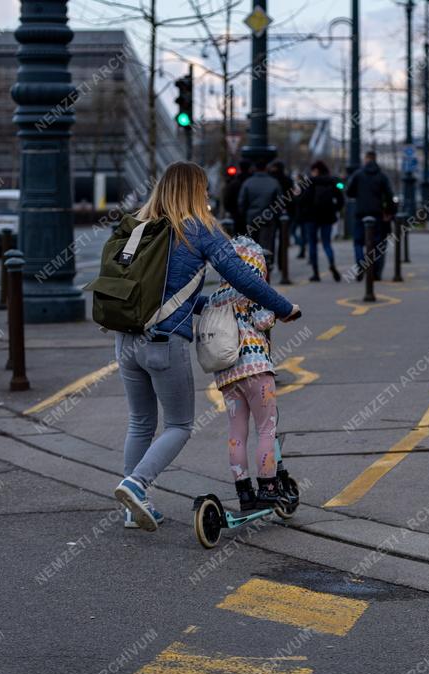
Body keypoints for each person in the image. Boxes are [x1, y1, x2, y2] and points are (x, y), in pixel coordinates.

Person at [113, 162, 300, 532]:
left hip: (125, 338)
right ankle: (136, 484)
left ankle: (133, 507)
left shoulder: (138, 226)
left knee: (140, 422)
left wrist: (208, 306)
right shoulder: (199, 229)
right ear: (195, 191)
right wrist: (284, 307)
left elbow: (152, 289)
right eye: (204, 189)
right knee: (180, 424)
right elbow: (241, 276)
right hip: (164, 342)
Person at [209, 234, 289, 511]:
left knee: (236, 433)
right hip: (256, 370)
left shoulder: (216, 297)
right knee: (266, 429)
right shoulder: (253, 291)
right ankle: (268, 487)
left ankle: (244, 491)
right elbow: (264, 319)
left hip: (227, 375)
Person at [346, 150, 394, 280]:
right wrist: (389, 212)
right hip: (377, 214)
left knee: (358, 242)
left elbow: (349, 192)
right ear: (375, 159)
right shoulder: (382, 176)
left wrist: (359, 195)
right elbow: (389, 195)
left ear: (366, 159)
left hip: (360, 213)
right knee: (377, 244)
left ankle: (361, 264)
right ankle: (376, 273)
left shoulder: (358, 174)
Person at [299, 160, 344, 282]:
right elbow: (341, 198)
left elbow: (302, 199)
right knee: (327, 243)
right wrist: (335, 210)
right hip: (327, 217)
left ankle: (316, 273)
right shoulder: (332, 181)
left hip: (311, 217)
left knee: (312, 244)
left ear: (316, 170)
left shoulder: (309, 181)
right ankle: (332, 264)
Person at [238, 160, 282, 256]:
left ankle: (255, 264)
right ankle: (267, 263)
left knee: (252, 244)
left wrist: (244, 214)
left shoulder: (248, 182)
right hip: (268, 217)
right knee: (267, 243)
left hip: (252, 217)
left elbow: (242, 202)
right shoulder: (274, 182)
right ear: (266, 169)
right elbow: (279, 202)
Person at [223, 160, 252, 235]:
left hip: (237, 216)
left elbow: (227, 200)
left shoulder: (234, 183)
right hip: (252, 216)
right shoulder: (253, 183)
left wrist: (232, 211)